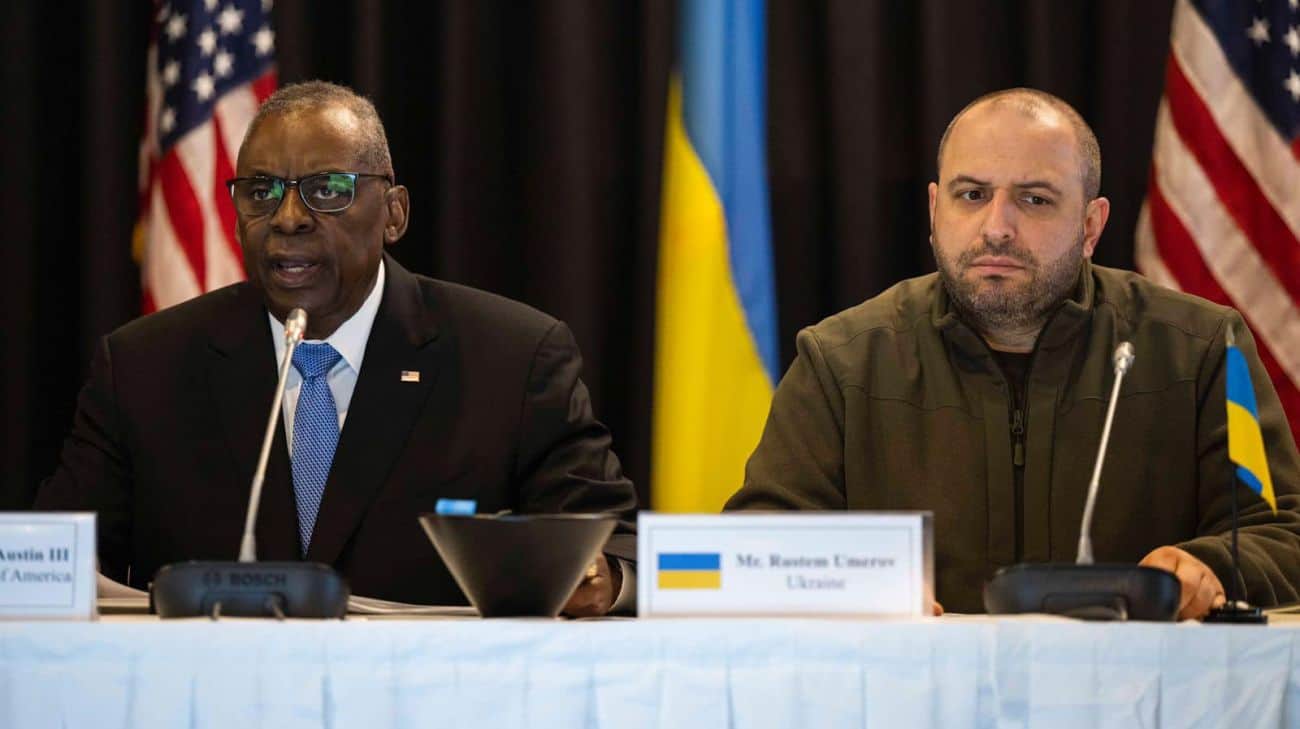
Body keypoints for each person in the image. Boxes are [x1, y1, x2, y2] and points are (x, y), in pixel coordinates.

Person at [36, 81, 636, 616]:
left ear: (394, 213)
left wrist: (602, 579)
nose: (288, 217)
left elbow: (615, 547)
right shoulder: (144, 367)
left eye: (327, 190)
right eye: (261, 191)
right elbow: (51, 564)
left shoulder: (513, 358)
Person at [726, 88, 1300, 619]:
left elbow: (1284, 533)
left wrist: (1210, 567)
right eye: (972, 195)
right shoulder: (842, 360)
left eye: (1034, 199)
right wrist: (854, 586)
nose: (997, 227)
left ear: (1091, 225)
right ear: (935, 210)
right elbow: (758, 544)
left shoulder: (1201, 350)